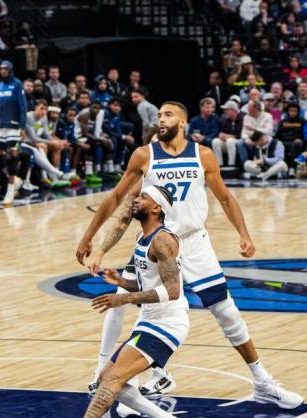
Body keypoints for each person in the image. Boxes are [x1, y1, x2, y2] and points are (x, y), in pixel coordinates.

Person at [76, 101, 303, 409]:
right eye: (158, 116)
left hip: (194, 243)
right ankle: (104, 371)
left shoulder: (202, 154)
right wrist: (90, 239)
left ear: (183, 122)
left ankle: (262, 381)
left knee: (227, 312)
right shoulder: (144, 155)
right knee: (122, 302)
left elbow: (224, 197)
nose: (161, 119)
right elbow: (118, 199)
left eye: (168, 115)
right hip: (157, 243)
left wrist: (245, 234)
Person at [85, 186, 186, 418]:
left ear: (156, 207)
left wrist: (124, 297)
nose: (136, 200)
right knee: (105, 378)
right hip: (151, 320)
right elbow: (148, 286)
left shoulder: (162, 241)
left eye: (143, 197)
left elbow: (172, 291)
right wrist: (123, 281)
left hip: (167, 324)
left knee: (111, 380)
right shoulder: (142, 237)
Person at [0, 61, 27, 206]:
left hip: (13, 125)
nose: (3, 71)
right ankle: (15, 180)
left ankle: (10, 191)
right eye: (1, 69)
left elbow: (22, 106)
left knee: (13, 154)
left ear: (11, 70)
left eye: (5, 69)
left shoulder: (17, 84)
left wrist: (22, 127)